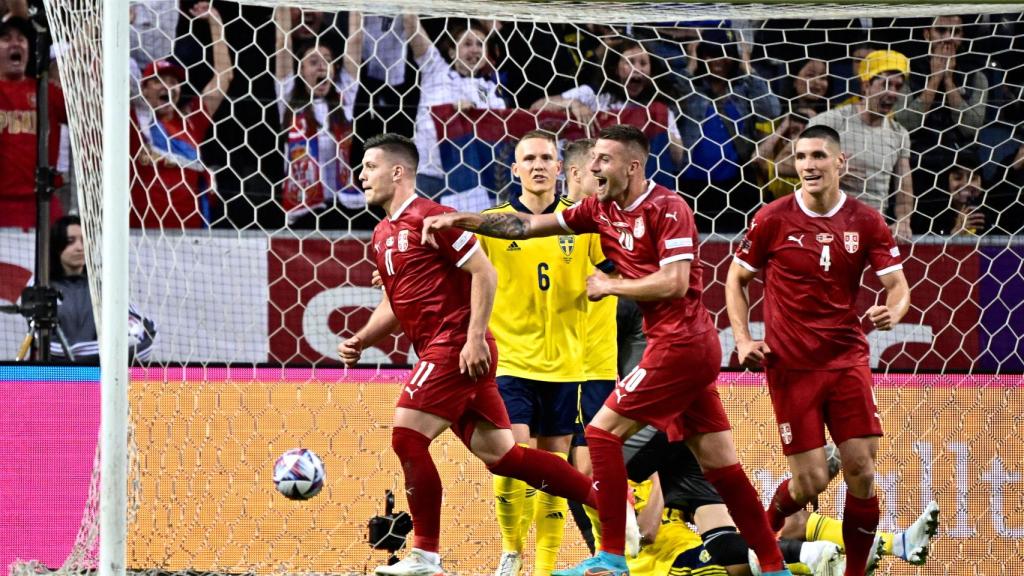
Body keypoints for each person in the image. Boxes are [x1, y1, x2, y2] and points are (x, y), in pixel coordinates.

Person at [423, 125, 792, 576]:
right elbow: (525, 224)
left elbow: (676, 282)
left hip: (682, 345)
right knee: (722, 467)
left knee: (600, 435)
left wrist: (611, 284)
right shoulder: (599, 210)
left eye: (603, 159)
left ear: (632, 166)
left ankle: (612, 556)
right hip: (675, 348)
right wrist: (461, 220)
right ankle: (774, 566)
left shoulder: (668, 207)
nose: (593, 167)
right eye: (592, 158)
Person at [337, 133, 602, 576]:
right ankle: (608, 505)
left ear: (398, 172)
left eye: (369, 166)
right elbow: (397, 302)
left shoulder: (433, 216)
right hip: (451, 350)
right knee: (508, 458)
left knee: (407, 436)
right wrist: (362, 338)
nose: (361, 175)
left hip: (456, 346)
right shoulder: (384, 233)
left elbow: (485, 271)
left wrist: (475, 336)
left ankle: (425, 555)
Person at [725, 125, 916, 576]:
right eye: (801, 157)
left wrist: (894, 310)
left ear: (840, 163)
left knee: (861, 472)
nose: (808, 165)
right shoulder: (772, 217)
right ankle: (759, 546)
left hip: (846, 359)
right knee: (808, 479)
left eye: (818, 157)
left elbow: (898, 287)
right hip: (791, 366)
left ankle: (853, 571)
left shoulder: (866, 221)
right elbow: (736, 279)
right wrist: (744, 339)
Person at [479, 131, 613, 576]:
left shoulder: (581, 223)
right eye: (528, 159)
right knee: (512, 458)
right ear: (515, 170)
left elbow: (616, 262)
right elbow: (458, 273)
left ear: (560, 169)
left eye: (546, 158)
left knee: (555, 470)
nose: (538, 165)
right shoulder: (491, 224)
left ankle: (545, 568)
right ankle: (511, 550)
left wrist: (605, 282)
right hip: (511, 361)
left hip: (567, 365)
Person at [562, 137, 620, 554]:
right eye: (595, 171)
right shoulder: (547, 223)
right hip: (537, 367)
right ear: (575, 174)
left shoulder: (602, 226)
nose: (602, 179)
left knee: (584, 466)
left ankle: (609, 551)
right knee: (547, 469)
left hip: (592, 366)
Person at [130, 2, 232, 229]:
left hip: (191, 236)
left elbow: (224, 77)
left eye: (173, 82)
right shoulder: (132, 123)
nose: (168, 87)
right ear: (143, 90)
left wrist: (216, 25)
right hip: (141, 238)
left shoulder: (191, 121)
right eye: (159, 81)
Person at [806, 50, 914, 240]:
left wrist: (904, 222)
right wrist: (828, 171)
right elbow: (785, 164)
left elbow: (904, 189)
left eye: (898, 86)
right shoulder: (830, 122)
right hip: (825, 227)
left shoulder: (899, 134)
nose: (893, 93)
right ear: (866, 85)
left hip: (870, 231)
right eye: (886, 84)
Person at [405, 15, 509, 208]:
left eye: (480, 44)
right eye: (468, 43)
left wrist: (472, 114)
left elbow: (497, 134)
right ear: (452, 51)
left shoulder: (488, 90)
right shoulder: (435, 69)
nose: (475, 49)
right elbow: (412, 28)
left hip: (471, 182)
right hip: (430, 174)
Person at [274, 7, 364, 226]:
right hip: (303, 207)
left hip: (342, 205)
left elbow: (356, 39)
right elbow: (282, 42)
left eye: (327, 60)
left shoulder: (344, 98)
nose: (322, 66)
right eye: (313, 62)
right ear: (301, 70)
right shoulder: (287, 98)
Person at [894, 14, 988, 207]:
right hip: (917, 163)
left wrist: (948, 80)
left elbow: (971, 126)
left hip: (962, 167)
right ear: (927, 34)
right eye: (941, 31)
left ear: (963, 37)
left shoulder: (977, 76)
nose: (949, 37)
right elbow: (905, 123)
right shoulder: (905, 73)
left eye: (956, 31)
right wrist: (935, 80)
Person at [48, 216, 156, 362]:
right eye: (70, 241)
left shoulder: (104, 287)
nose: (80, 247)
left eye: (83, 240)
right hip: (53, 377)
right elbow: (46, 347)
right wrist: (111, 353)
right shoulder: (41, 288)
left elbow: (144, 338)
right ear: (56, 246)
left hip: (101, 377)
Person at [0, 13, 67, 228]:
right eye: (6, 38)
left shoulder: (45, 90)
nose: (15, 43)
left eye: (21, 38)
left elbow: (83, 116)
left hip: (42, 205)